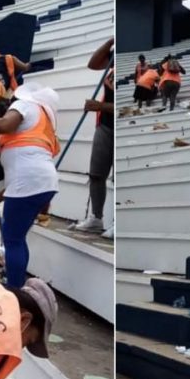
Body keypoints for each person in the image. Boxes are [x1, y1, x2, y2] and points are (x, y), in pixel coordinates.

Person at [0, 83, 60, 288]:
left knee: (12, 240)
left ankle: (15, 291)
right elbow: (27, 162)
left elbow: (5, 125)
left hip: (28, 184)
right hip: (43, 183)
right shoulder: (45, 123)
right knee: (18, 237)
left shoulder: (26, 105)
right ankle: (18, 285)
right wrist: (2, 194)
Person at [73, 38, 115, 237]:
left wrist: (100, 106)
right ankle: (96, 218)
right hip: (105, 125)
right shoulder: (114, 59)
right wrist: (111, 42)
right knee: (96, 173)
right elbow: (92, 64)